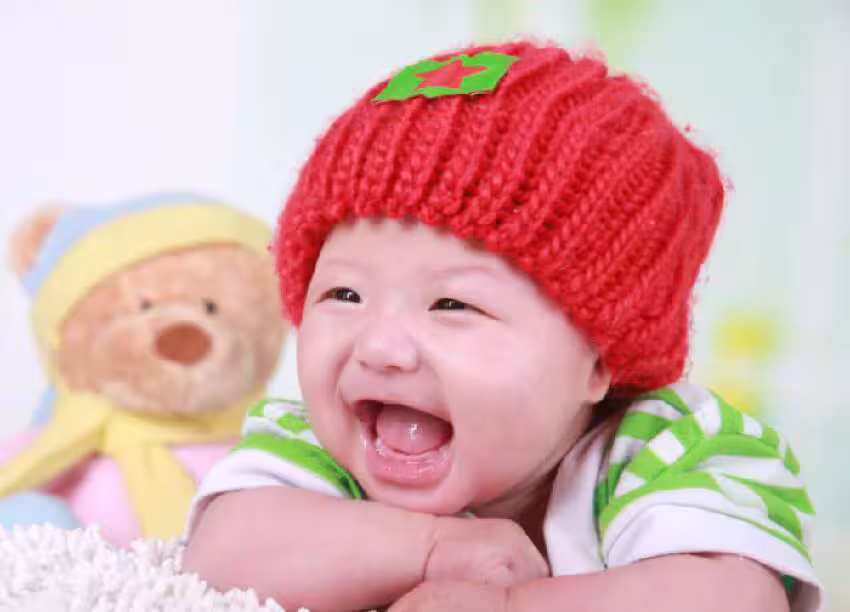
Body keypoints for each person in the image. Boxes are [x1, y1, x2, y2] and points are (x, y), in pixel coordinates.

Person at [182, 41, 822, 612]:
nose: (379, 347)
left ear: (599, 357)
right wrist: (435, 551)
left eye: (452, 305)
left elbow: (734, 597)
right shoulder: (318, 443)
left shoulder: (666, 447)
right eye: (344, 294)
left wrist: (510, 603)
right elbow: (223, 553)